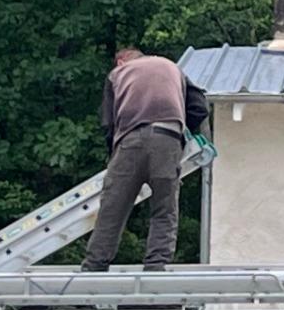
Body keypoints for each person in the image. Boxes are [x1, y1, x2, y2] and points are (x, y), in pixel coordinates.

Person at [80, 47, 209, 271]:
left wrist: (114, 156)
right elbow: (199, 107)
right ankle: (156, 267)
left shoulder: (118, 74)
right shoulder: (173, 68)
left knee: (113, 208)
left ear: (121, 61)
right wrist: (181, 136)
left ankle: (94, 267)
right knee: (164, 210)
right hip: (168, 140)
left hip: (130, 141)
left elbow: (108, 123)